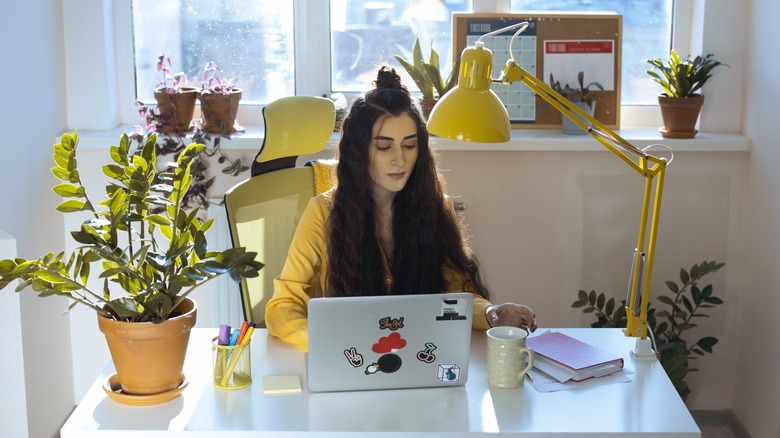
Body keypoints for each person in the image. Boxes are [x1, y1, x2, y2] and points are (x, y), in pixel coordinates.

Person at [265, 66, 537, 350]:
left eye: (409, 146)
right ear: (359, 151)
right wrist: (324, 342)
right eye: (384, 147)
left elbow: (457, 296)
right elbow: (283, 305)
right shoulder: (323, 212)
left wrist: (492, 313)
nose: (400, 160)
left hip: (421, 354)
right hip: (353, 359)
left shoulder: (436, 207)